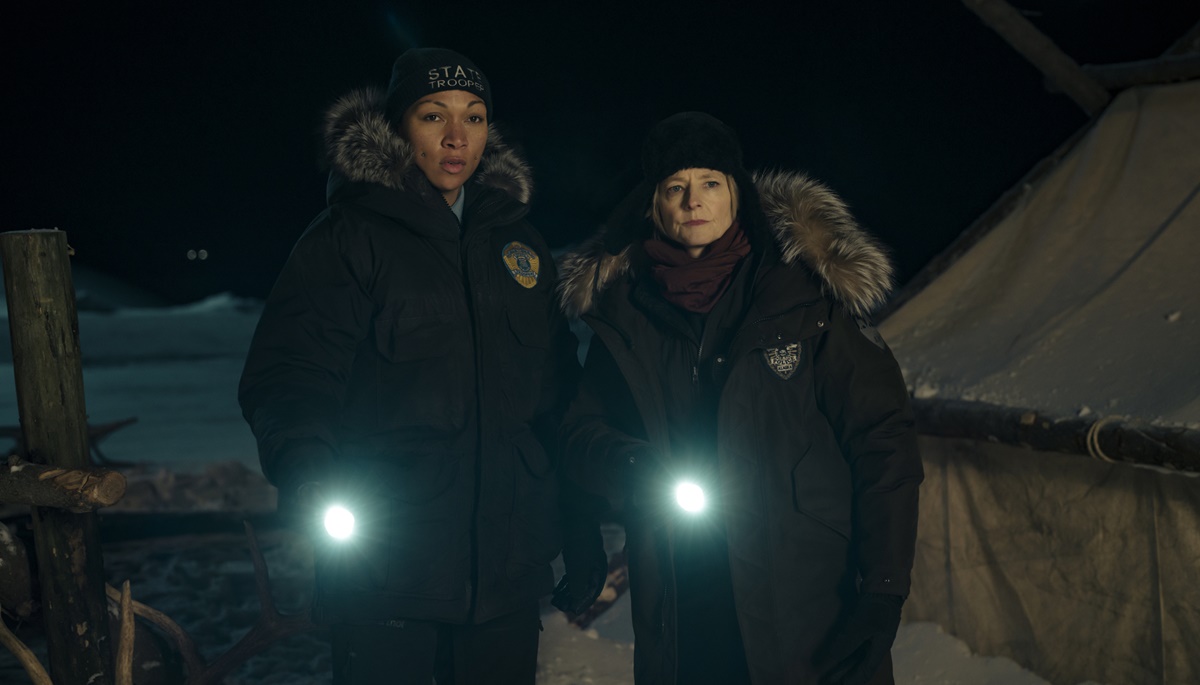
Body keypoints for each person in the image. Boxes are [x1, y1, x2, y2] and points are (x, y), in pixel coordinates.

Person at [238, 48, 607, 684]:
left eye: (475, 117)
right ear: (397, 127)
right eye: (434, 115)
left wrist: (580, 525)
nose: (457, 136)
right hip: (385, 574)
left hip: (507, 580)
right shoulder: (348, 237)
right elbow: (290, 377)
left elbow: (556, 400)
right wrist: (310, 475)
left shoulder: (520, 246)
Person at [557, 112, 923, 685]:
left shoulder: (805, 299)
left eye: (710, 182)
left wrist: (883, 587)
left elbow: (883, 440)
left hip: (809, 599)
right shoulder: (625, 315)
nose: (693, 201)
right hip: (684, 598)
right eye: (675, 187)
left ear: (737, 194)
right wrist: (629, 462)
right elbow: (580, 433)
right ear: (653, 205)